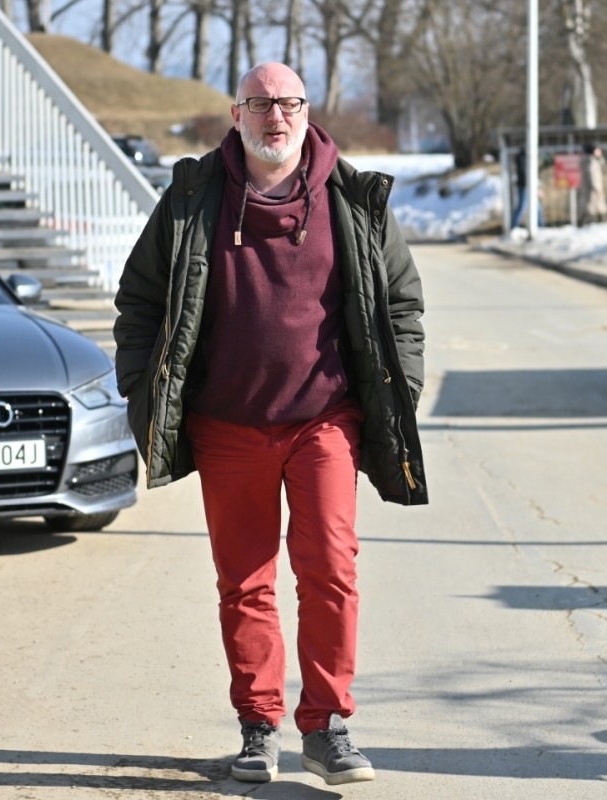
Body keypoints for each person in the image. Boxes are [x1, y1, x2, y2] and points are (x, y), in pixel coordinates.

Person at [113, 63, 427, 786]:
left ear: (307, 111)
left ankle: (327, 726)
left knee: (332, 571)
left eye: (287, 103)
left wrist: (397, 388)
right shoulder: (192, 198)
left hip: (325, 420)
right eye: (259, 104)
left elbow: (401, 303)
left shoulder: (354, 197)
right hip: (227, 425)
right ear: (236, 114)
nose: (274, 117)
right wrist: (143, 390)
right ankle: (259, 727)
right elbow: (140, 300)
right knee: (245, 583)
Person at [510, 146, 544, 229]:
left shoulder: (528, 156)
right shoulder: (522, 157)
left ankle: (542, 226)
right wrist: (535, 186)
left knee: (537, 207)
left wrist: (537, 186)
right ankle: (514, 227)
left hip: (530, 185)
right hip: (525, 186)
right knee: (522, 206)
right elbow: (524, 173)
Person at [579, 143, 607, 226]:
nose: (600, 152)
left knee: (591, 208)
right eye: (598, 150)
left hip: (592, 189)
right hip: (594, 190)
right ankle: (586, 224)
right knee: (593, 208)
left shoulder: (592, 161)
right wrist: (598, 188)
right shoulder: (591, 162)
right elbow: (593, 177)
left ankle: (587, 224)